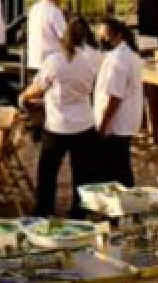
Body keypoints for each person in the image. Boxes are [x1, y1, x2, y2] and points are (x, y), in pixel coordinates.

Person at [20, 16, 100, 216]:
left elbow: (38, 87)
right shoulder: (90, 61)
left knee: (48, 171)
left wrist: (23, 96)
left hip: (59, 125)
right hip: (84, 121)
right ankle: (79, 212)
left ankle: (44, 210)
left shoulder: (55, 61)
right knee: (83, 173)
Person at [91, 17, 144, 186]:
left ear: (118, 36)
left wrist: (103, 124)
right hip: (124, 121)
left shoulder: (118, 60)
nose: (102, 40)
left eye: (106, 36)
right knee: (120, 165)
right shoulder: (127, 55)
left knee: (115, 168)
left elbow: (115, 96)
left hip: (116, 122)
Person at [25, 0, 68, 76]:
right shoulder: (54, 11)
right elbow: (63, 37)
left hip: (34, 58)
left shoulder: (34, 8)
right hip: (51, 60)